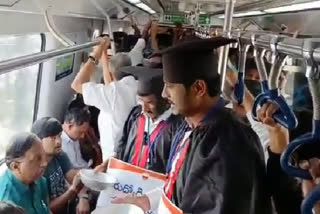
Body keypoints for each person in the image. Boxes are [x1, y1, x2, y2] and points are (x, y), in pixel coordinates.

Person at [112, 37, 272, 213]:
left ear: (198, 89)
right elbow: (182, 187)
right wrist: (147, 200)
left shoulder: (226, 144)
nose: (164, 94)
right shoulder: (193, 128)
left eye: (170, 87)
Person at [71, 36, 138, 160]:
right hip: (131, 153)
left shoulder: (114, 93)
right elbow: (110, 83)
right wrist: (103, 54)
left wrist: (95, 54)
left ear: (113, 74)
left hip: (114, 158)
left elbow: (76, 84)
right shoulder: (135, 85)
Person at [115, 67, 183, 170]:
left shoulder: (177, 125)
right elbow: (122, 145)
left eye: (150, 103)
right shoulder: (136, 114)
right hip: (127, 181)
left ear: (163, 101)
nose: (144, 108)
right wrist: (107, 164)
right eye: (141, 101)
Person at [0, 133, 50, 214]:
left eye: (43, 156)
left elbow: (47, 209)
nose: (44, 163)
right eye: (37, 159)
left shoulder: (39, 179)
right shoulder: (6, 202)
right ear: (16, 166)